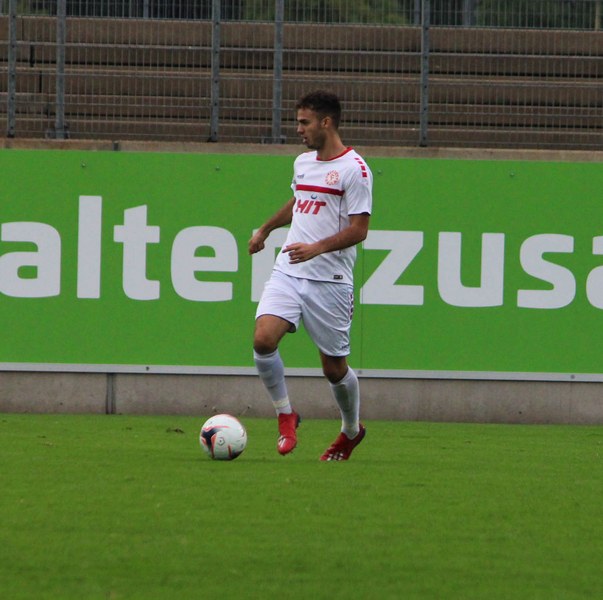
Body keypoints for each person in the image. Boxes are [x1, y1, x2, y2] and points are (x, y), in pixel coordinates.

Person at [248, 90, 373, 461]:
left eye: (305, 123)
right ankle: (286, 415)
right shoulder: (303, 163)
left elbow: (359, 230)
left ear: (326, 122)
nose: (299, 129)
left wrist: (317, 248)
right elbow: (299, 201)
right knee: (263, 339)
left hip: (329, 280)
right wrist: (266, 228)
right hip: (289, 270)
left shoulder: (355, 169)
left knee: (334, 369)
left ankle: (350, 429)